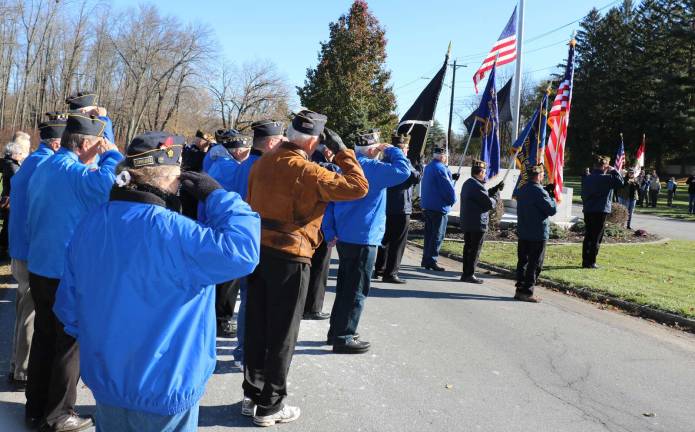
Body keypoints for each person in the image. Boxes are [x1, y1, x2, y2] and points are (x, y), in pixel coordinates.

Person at [53, 131, 260, 432]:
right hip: (166, 387)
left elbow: (69, 311)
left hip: (108, 383)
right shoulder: (177, 233)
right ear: (167, 179)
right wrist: (218, 195)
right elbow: (244, 250)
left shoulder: (91, 224)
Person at [243, 110, 368, 426]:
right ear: (314, 140)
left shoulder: (261, 164)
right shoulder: (309, 172)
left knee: (257, 326)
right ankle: (270, 406)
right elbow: (358, 187)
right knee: (283, 333)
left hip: (259, 253)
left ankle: (252, 395)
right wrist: (342, 152)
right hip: (291, 255)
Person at [25, 114, 122, 431]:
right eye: (95, 144)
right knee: (69, 344)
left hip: (39, 267)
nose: (98, 150)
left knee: (44, 339)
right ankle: (59, 415)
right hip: (63, 273)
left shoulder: (45, 166)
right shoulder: (75, 174)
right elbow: (112, 183)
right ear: (83, 144)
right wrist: (111, 153)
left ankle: (36, 408)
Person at [207, 119, 285, 369]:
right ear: (271, 142)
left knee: (249, 297)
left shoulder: (243, 165)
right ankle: (246, 353)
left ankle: (244, 350)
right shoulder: (263, 166)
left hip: (248, 236)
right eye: (280, 140)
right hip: (260, 238)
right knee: (254, 300)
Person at [323, 130, 410, 354]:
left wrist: (330, 230)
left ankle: (337, 331)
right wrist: (391, 150)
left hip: (344, 235)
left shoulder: (345, 166)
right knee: (356, 289)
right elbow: (403, 171)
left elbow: (330, 202)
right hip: (364, 236)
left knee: (345, 286)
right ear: (372, 149)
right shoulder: (373, 168)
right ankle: (343, 336)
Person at [7, 115, 66, 390]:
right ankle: (23, 370)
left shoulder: (32, 160)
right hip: (32, 250)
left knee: (24, 309)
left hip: (22, 247)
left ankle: (17, 365)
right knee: (31, 312)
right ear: (56, 143)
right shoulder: (45, 163)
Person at [374, 133, 420, 284]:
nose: (407, 151)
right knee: (398, 242)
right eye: (406, 148)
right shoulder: (403, 162)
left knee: (384, 239)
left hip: (385, 206)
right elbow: (416, 177)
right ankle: (391, 273)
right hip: (401, 207)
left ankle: (380, 268)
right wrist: (418, 167)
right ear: (402, 149)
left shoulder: (383, 162)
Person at [305, 143, 338, 321]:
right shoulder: (327, 167)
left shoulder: (307, 161)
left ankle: (306, 305)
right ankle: (313, 307)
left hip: (308, 224)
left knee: (309, 266)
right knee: (320, 267)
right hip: (322, 225)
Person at [514, 164, 557, 302]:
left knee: (523, 262)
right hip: (537, 233)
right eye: (542, 175)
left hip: (524, 231)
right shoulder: (540, 192)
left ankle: (520, 289)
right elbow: (551, 210)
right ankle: (528, 291)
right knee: (535, 263)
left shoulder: (522, 189)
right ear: (538, 176)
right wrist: (551, 196)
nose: (543, 177)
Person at [458, 160, 504, 283]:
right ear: (481, 172)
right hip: (477, 223)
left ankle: (465, 273)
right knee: (474, 250)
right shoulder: (477, 186)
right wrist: (496, 195)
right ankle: (469, 274)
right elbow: (489, 203)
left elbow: (481, 197)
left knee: (468, 248)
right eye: (484, 172)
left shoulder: (469, 183)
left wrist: (493, 190)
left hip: (468, 222)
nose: (485, 174)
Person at [580, 155, 624, 269]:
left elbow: (583, 194)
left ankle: (585, 260)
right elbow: (620, 183)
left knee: (588, 235)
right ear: (604, 166)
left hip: (588, 209)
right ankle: (591, 262)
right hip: (600, 210)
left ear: (594, 165)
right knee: (596, 237)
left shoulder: (587, 178)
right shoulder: (607, 178)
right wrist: (614, 170)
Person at [420, 147, 457, 271]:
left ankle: (426, 259)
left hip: (428, 206)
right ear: (442, 156)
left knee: (429, 234)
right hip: (438, 207)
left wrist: (452, 178)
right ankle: (431, 260)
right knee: (437, 235)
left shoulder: (429, 167)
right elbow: (447, 188)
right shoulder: (441, 168)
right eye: (446, 156)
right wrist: (452, 200)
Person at [1, 138, 30, 259]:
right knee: (8, 225)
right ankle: (3, 249)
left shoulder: (8, 163)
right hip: (10, 200)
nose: (21, 156)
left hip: (9, 197)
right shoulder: (11, 165)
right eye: (20, 154)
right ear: (13, 154)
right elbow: (20, 179)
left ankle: (3, 248)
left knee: (8, 225)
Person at [180, 129, 215, 219]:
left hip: (190, 188)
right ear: (200, 141)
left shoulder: (191, 150)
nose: (207, 145)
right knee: (190, 216)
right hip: (191, 190)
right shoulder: (194, 152)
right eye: (206, 142)